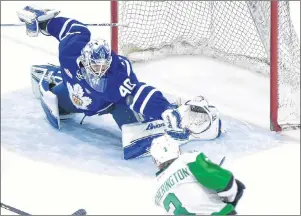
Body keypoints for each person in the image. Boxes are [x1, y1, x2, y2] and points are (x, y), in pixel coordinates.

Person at [17, 6, 223, 159]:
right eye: (95, 66)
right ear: (85, 61)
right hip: (73, 97)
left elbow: (138, 93)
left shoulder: (117, 73)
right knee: (57, 100)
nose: (100, 71)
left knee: (132, 126)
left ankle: (174, 110)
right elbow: (73, 29)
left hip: (110, 104)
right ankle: (54, 79)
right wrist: (45, 23)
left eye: (103, 66)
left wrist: (165, 110)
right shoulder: (70, 51)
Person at [150, 134, 245, 215]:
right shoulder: (188, 159)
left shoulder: (155, 189)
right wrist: (230, 197)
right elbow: (225, 182)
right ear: (177, 149)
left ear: (155, 160)